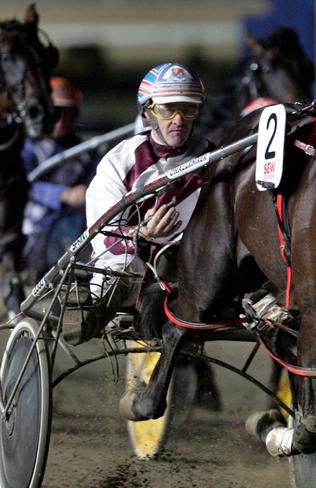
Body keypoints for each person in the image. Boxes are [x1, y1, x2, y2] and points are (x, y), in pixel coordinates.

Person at [64, 62, 214, 345]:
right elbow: (100, 235)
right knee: (118, 266)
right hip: (130, 271)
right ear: (148, 112)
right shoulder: (120, 161)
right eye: (168, 109)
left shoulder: (214, 158)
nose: (179, 120)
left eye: (188, 108)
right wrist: (142, 234)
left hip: (194, 272)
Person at [21, 77, 98, 281]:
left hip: (74, 226)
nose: (61, 119)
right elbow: (22, 185)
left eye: (68, 112)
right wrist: (63, 194)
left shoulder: (86, 152)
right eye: (56, 112)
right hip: (32, 228)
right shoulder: (27, 148)